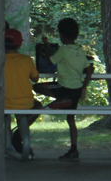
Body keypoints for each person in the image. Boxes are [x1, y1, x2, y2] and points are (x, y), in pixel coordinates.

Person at [37, 17, 94, 161]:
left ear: (62, 35)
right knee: (71, 120)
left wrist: (47, 45)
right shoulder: (79, 51)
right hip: (76, 90)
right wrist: (84, 88)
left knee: (37, 86)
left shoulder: (63, 50)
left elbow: (50, 61)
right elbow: (89, 69)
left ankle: (60, 100)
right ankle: (74, 149)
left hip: (63, 87)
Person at [4, 27, 41, 158]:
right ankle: (18, 135)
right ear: (19, 44)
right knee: (38, 106)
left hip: (3, 103)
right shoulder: (27, 60)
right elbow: (36, 78)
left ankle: (8, 141)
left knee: (3, 115)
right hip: (25, 103)